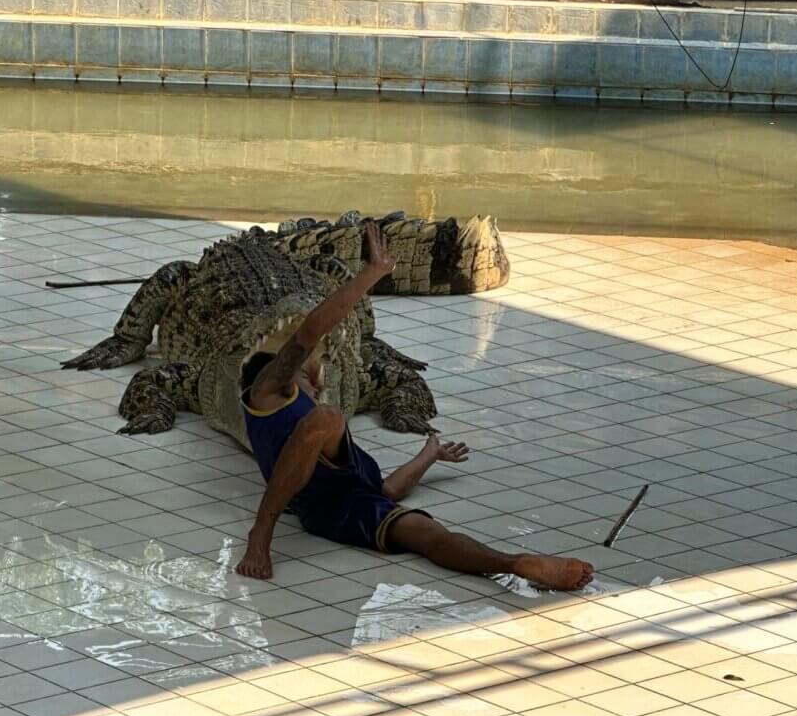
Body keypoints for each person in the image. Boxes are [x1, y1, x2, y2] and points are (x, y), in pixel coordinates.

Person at [235, 222, 595, 592]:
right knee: (327, 417)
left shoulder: (320, 426)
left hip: (350, 502)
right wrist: (371, 273)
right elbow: (310, 331)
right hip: (321, 504)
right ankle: (261, 533)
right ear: (280, 374)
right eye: (309, 376)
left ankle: (515, 563)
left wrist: (429, 454)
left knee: (430, 536)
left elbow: (386, 490)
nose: (318, 380)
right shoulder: (266, 394)